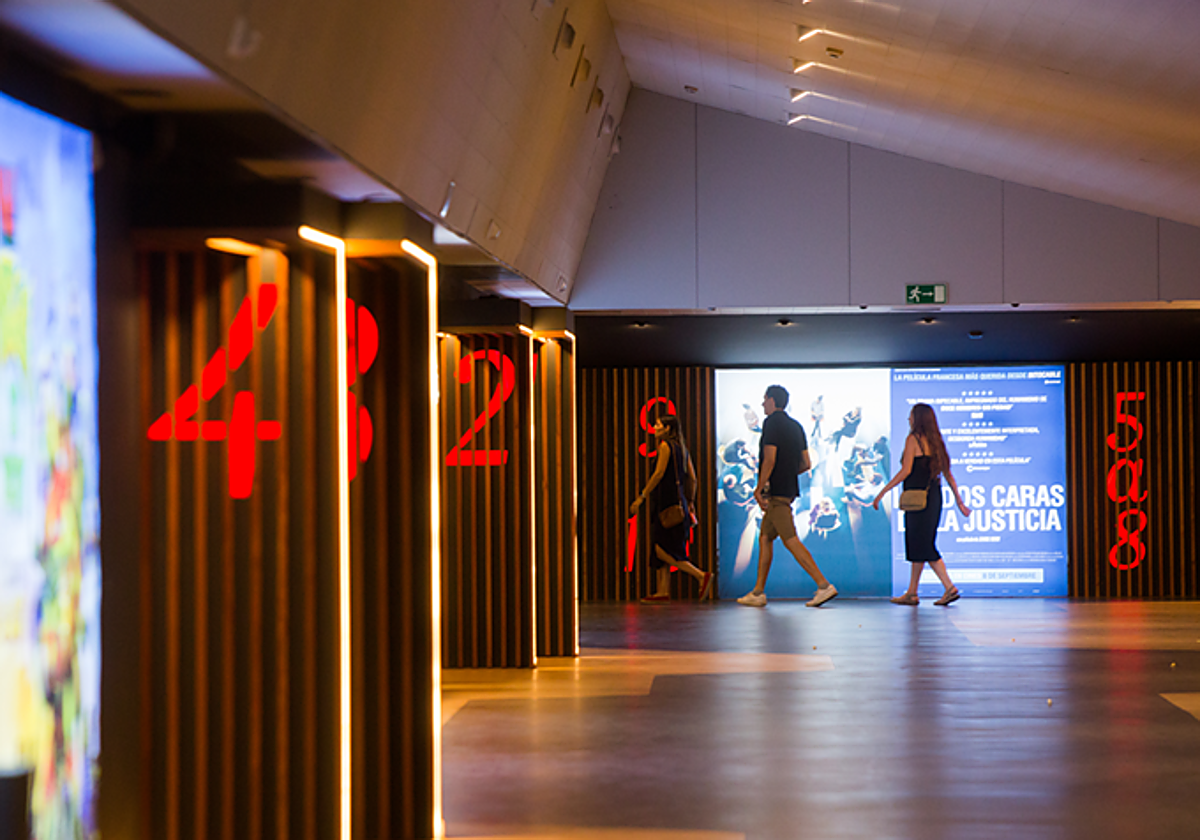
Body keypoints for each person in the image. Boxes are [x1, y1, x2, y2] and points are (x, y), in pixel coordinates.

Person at [737, 385, 837, 608]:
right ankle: (758, 592)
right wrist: (787, 473)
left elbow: (769, 458)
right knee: (765, 538)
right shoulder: (796, 426)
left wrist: (759, 486)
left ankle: (823, 585)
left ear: (772, 401)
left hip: (776, 494)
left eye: (764, 400)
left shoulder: (771, 423)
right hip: (788, 491)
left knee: (790, 539)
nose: (763, 404)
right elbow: (806, 464)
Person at [872, 403, 971, 606]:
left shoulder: (913, 440)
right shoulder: (937, 443)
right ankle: (912, 592)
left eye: (911, 416)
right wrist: (959, 502)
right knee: (920, 544)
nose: (908, 419)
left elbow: (906, 471)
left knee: (923, 545)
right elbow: (948, 475)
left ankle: (949, 587)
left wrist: (883, 491)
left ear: (918, 419)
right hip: (933, 498)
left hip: (917, 501)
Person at [630, 414, 714, 602]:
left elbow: (659, 473)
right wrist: (690, 502)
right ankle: (662, 591)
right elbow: (692, 477)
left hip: (667, 503)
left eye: (658, 424)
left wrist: (641, 496)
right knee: (663, 545)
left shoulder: (665, 446)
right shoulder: (682, 449)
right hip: (680, 502)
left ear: (667, 429)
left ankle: (700, 575)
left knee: (663, 549)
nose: (654, 427)